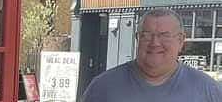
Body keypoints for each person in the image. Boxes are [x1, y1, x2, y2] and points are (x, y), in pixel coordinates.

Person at [81, 8, 222, 102]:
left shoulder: (207, 90)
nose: (155, 43)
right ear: (137, 39)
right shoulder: (103, 87)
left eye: (164, 35)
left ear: (180, 40)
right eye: (147, 35)